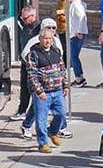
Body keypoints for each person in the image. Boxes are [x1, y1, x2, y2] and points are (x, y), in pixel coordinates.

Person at [25, 22, 70, 152]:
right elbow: (32, 75)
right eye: (45, 39)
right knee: (41, 119)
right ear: (40, 39)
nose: (48, 41)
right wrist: (39, 91)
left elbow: (62, 70)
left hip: (57, 91)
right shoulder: (33, 55)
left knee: (61, 114)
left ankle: (53, 131)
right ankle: (43, 143)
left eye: (50, 39)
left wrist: (65, 85)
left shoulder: (56, 51)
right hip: (43, 92)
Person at [8, 7, 41, 122]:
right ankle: (22, 110)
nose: (23, 20)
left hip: (35, 64)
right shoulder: (24, 28)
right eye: (22, 17)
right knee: (24, 88)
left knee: (35, 89)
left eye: (25, 18)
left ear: (32, 17)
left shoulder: (39, 28)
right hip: (24, 62)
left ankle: (36, 112)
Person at [64, 0, 89, 87]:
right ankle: (79, 77)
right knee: (74, 56)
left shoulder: (76, 5)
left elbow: (82, 17)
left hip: (76, 34)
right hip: (74, 33)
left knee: (73, 56)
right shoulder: (73, 5)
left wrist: (79, 31)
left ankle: (79, 78)